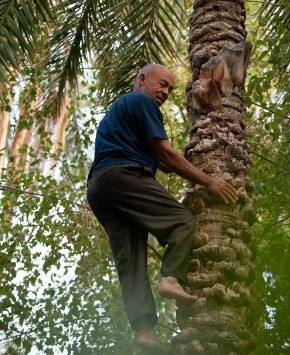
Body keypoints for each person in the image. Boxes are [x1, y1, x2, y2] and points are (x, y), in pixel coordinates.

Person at [86, 64, 238, 353]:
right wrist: (210, 182)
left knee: (130, 259)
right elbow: (165, 152)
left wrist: (176, 166)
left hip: (100, 188)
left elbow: (165, 162)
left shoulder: (121, 111)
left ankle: (145, 331)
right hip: (122, 175)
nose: (166, 92)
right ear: (143, 79)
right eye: (163, 84)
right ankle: (171, 278)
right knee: (180, 220)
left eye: (170, 88)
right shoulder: (140, 101)